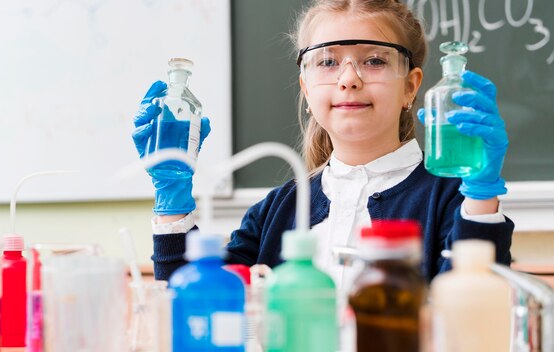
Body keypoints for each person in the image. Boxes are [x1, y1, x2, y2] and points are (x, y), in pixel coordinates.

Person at [132, 0, 513, 283]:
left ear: (410, 87)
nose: (348, 79)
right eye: (328, 62)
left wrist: (479, 196)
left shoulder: (452, 201)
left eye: (375, 60)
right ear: (306, 87)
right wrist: (173, 202)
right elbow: (192, 307)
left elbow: (473, 310)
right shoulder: (275, 212)